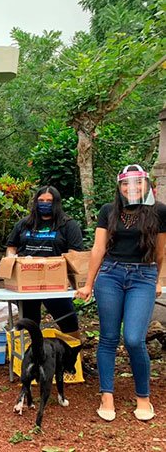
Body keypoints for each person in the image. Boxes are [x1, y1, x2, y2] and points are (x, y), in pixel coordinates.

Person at [76, 164, 166, 423]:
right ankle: (107, 395)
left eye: (137, 182)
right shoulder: (109, 211)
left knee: (135, 339)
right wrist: (88, 284)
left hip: (143, 276)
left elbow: (160, 252)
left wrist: (156, 279)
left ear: (147, 185)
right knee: (108, 338)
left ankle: (143, 397)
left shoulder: (159, 212)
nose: (132, 188)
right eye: (126, 183)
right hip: (110, 275)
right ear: (120, 187)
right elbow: (98, 249)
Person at [6, 186, 83, 338]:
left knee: (68, 321)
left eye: (49, 201)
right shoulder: (24, 224)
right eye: (41, 200)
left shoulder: (68, 225)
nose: (45, 203)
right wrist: (12, 259)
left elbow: (75, 253)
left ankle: (74, 357)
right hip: (26, 282)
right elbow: (11, 247)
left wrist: (67, 276)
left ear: (56, 202)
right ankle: (31, 356)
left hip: (55, 283)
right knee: (29, 323)